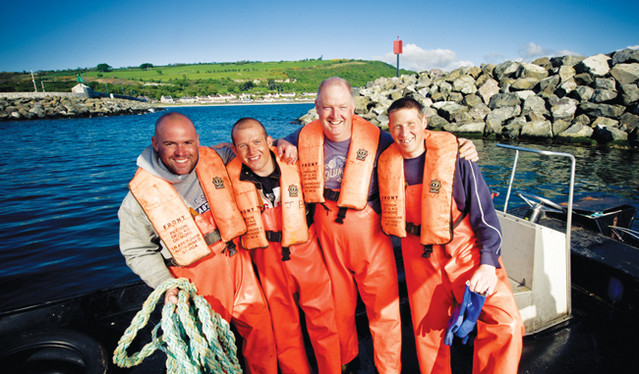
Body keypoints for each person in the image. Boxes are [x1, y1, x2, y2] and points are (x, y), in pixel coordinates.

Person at [280, 77, 479, 373]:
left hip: (370, 232)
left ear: (354, 107)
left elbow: (415, 141)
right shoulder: (303, 136)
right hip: (326, 230)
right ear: (317, 108)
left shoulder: (378, 137)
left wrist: (462, 145)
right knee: (339, 309)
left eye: (342, 107)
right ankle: (347, 363)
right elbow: (260, 148)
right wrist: (281, 143)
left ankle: (389, 370)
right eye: (327, 108)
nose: (335, 115)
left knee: (384, 310)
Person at [118, 112, 277, 374]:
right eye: (170, 144)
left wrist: (284, 144)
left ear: (197, 141)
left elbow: (253, 149)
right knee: (210, 353)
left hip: (239, 267)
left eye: (188, 143)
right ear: (155, 143)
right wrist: (165, 285)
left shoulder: (215, 158)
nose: (181, 152)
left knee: (262, 335)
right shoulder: (137, 198)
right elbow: (137, 250)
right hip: (195, 285)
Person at [377, 97, 525, 373]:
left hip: (466, 254)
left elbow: (486, 215)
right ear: (389, 128)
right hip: (418, 259)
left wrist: (488, 263)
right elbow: (345, 135)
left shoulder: (458, 158)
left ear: (424, 123)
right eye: (397, 127)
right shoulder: (383, 160)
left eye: (411, 124)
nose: (404, 133)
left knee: (506, 323)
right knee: (427, 337)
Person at [226, 117, 341, 374]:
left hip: (307, 255)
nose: (252, 151)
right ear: (234, 150)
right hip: (267, 262)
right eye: (243, 146)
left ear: (269, 142)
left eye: (257, 142)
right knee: (284, 331)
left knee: (323, 321)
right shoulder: (232, 175)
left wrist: (283, 141)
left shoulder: (294, 163)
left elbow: (320, 130)